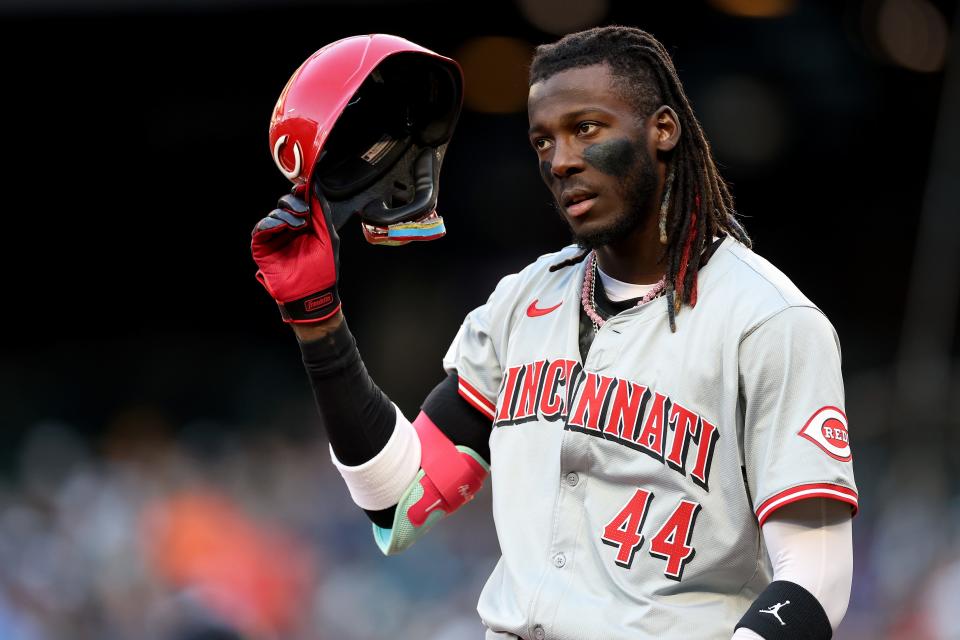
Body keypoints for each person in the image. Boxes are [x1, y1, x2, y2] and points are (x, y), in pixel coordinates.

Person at [252, 26, 858, 640]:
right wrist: (318, 322)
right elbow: (396, 502)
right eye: (543, 139)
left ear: (663, 131)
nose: (559, 159)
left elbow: (817, 576)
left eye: (586, 128)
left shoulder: (768, 320)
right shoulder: (523, 302)